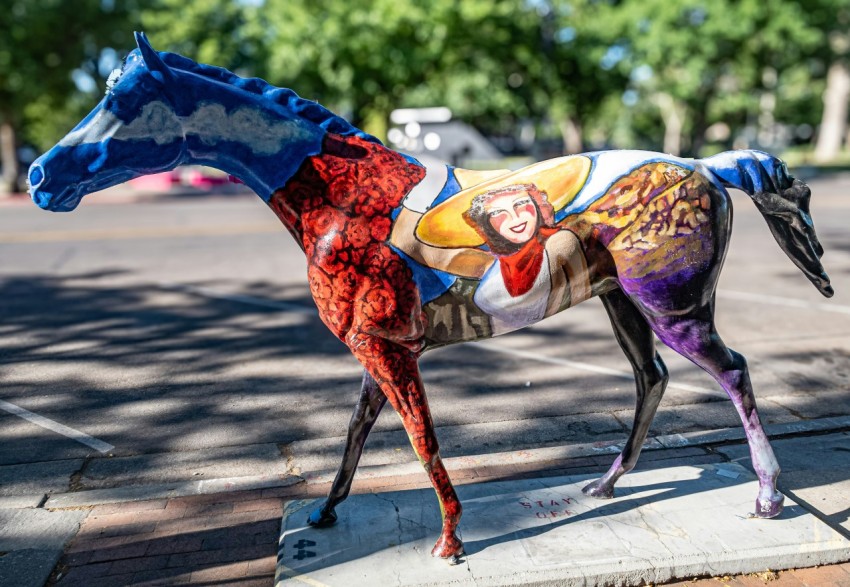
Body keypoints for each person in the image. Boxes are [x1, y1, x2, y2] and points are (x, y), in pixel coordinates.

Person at [394, 180, 591, 336]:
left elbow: (577, 292)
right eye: (498, 213)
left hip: (554, 339)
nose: (515, 217)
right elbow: (426, 252)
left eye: (522, 204)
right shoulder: (491, 261)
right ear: (487, 223)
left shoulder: (560, 242)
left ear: (538, 205)